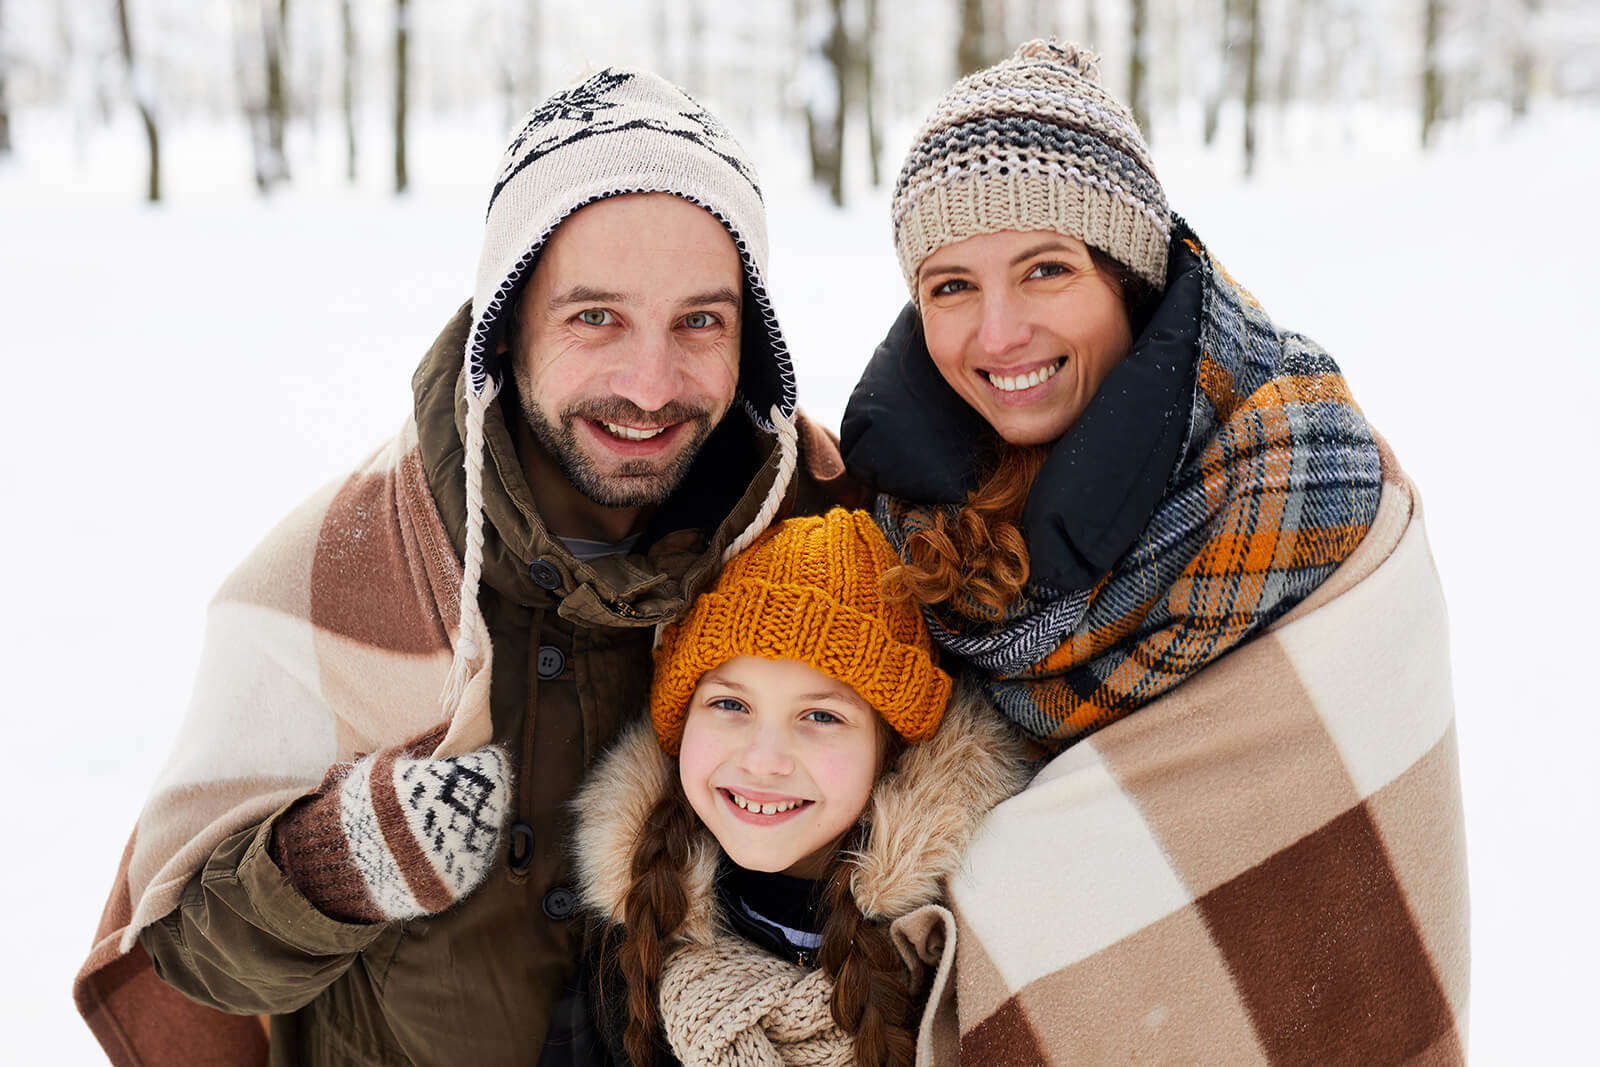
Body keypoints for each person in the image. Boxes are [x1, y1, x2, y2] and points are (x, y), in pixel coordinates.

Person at [73, 68, 855, 1067]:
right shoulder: (340, 568)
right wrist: (327, 868)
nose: (650, 384)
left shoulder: (824, 540)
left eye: (700, 320)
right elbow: (190, 963)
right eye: (594, 318)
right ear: (507, 323)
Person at [840, 40, 1471, 1063]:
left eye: (1045, 269)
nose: (997, 333)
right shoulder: (888, 518)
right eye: (951, 286)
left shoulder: (1305, 483)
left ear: (1129, 282)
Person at [551, 508, 1026, 1067]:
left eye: (822, 717)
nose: (764, 760)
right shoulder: (630, 942)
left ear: (889, 749)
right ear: (680, 722)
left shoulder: (955, 942)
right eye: (730, 704)